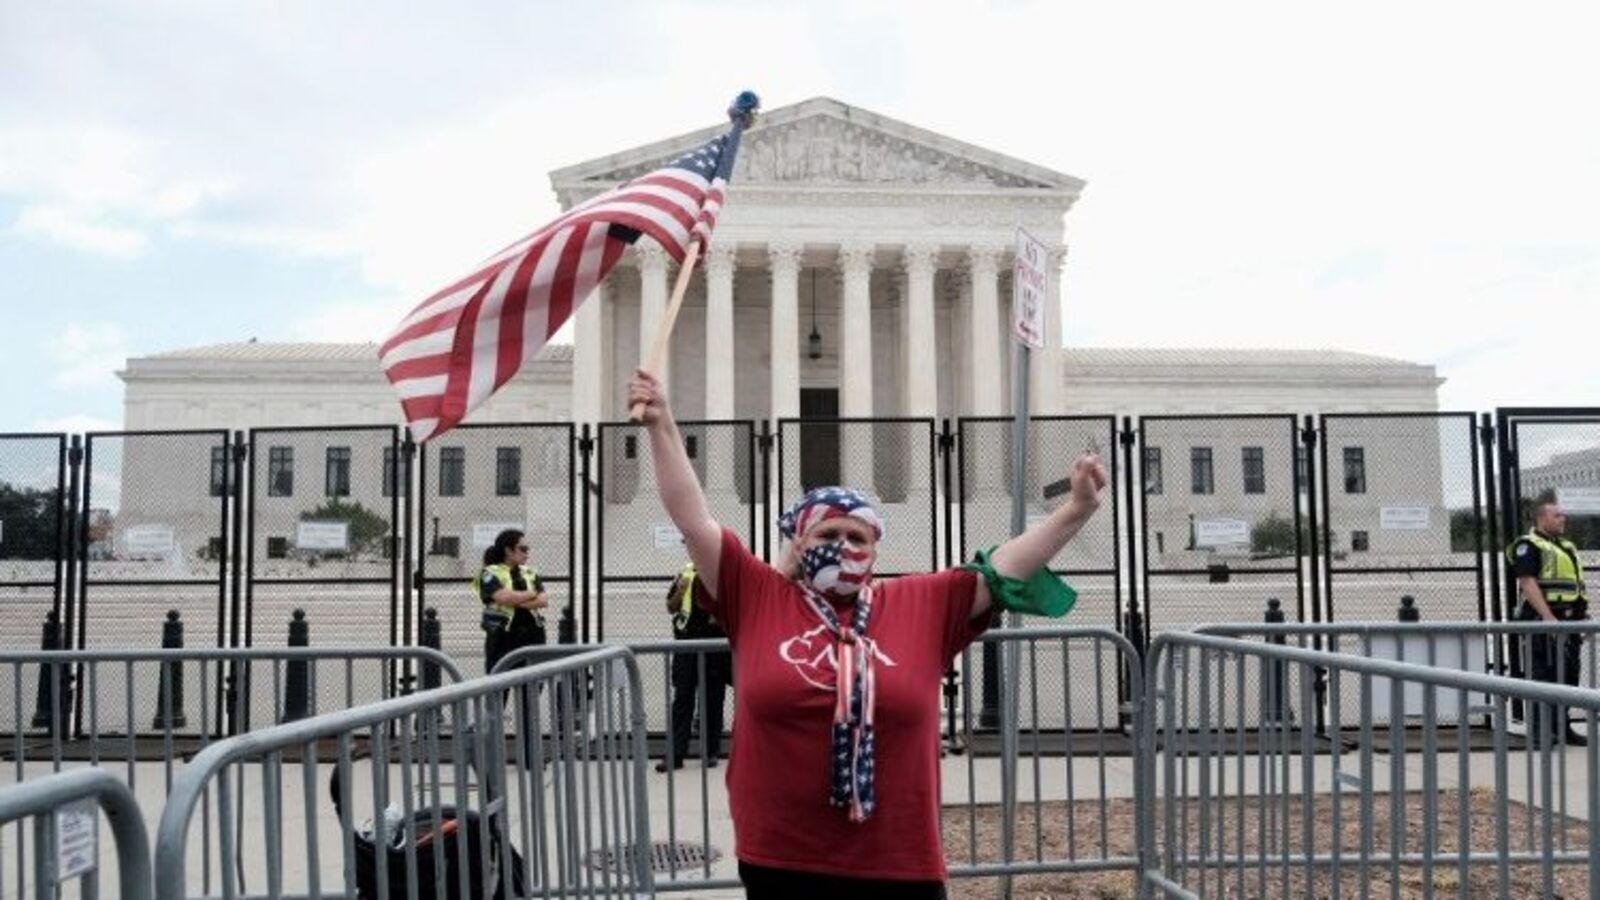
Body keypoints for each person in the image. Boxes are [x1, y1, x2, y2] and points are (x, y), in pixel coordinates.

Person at [628, 367, 1105, 899]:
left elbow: (1003, 570)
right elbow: (695, 521)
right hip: (780, 858)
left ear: (876, 549)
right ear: (800, 544)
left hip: (897, 863)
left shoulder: (919, 603)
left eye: (857, 535)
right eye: (828, 533)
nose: (844, 545)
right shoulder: (760, 596)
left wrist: (1075, 510)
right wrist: (662, 424)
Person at [1508, 501, 1590, 746]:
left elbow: (1574, 586)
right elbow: (1527, 582)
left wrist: (1583, 616)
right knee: (1543, 676)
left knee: (1568, 677)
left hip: (1568, 623)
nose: (1562, 519)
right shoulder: (1529, 545)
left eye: (1562, 515)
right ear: (1541, 519)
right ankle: (1540, 732)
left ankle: (1562, 728)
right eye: (1557, 515)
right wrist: (1547, 617)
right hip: (1543, 622)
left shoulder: (1565, 546)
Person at [658, 561, 734, 772]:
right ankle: (675, 754)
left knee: (713, 698)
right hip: (686, 646)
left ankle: (710, 752)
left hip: (714, 647)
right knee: (682, 698)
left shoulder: (723, 574)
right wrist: (680, 592)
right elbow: (670, 607)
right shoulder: (685, 573)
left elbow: (734, 608)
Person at [474, 529, 549, 675]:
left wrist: (517, 601)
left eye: (527, 549)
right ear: (508, 550)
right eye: (523, 549)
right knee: (498, 689)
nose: (527, 553)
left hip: (532, 637)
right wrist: (531, 594)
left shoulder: (529, 573)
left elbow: (543, 600)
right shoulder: (489, 573)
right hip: (502, 639)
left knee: (532, 689)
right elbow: (503, 598)